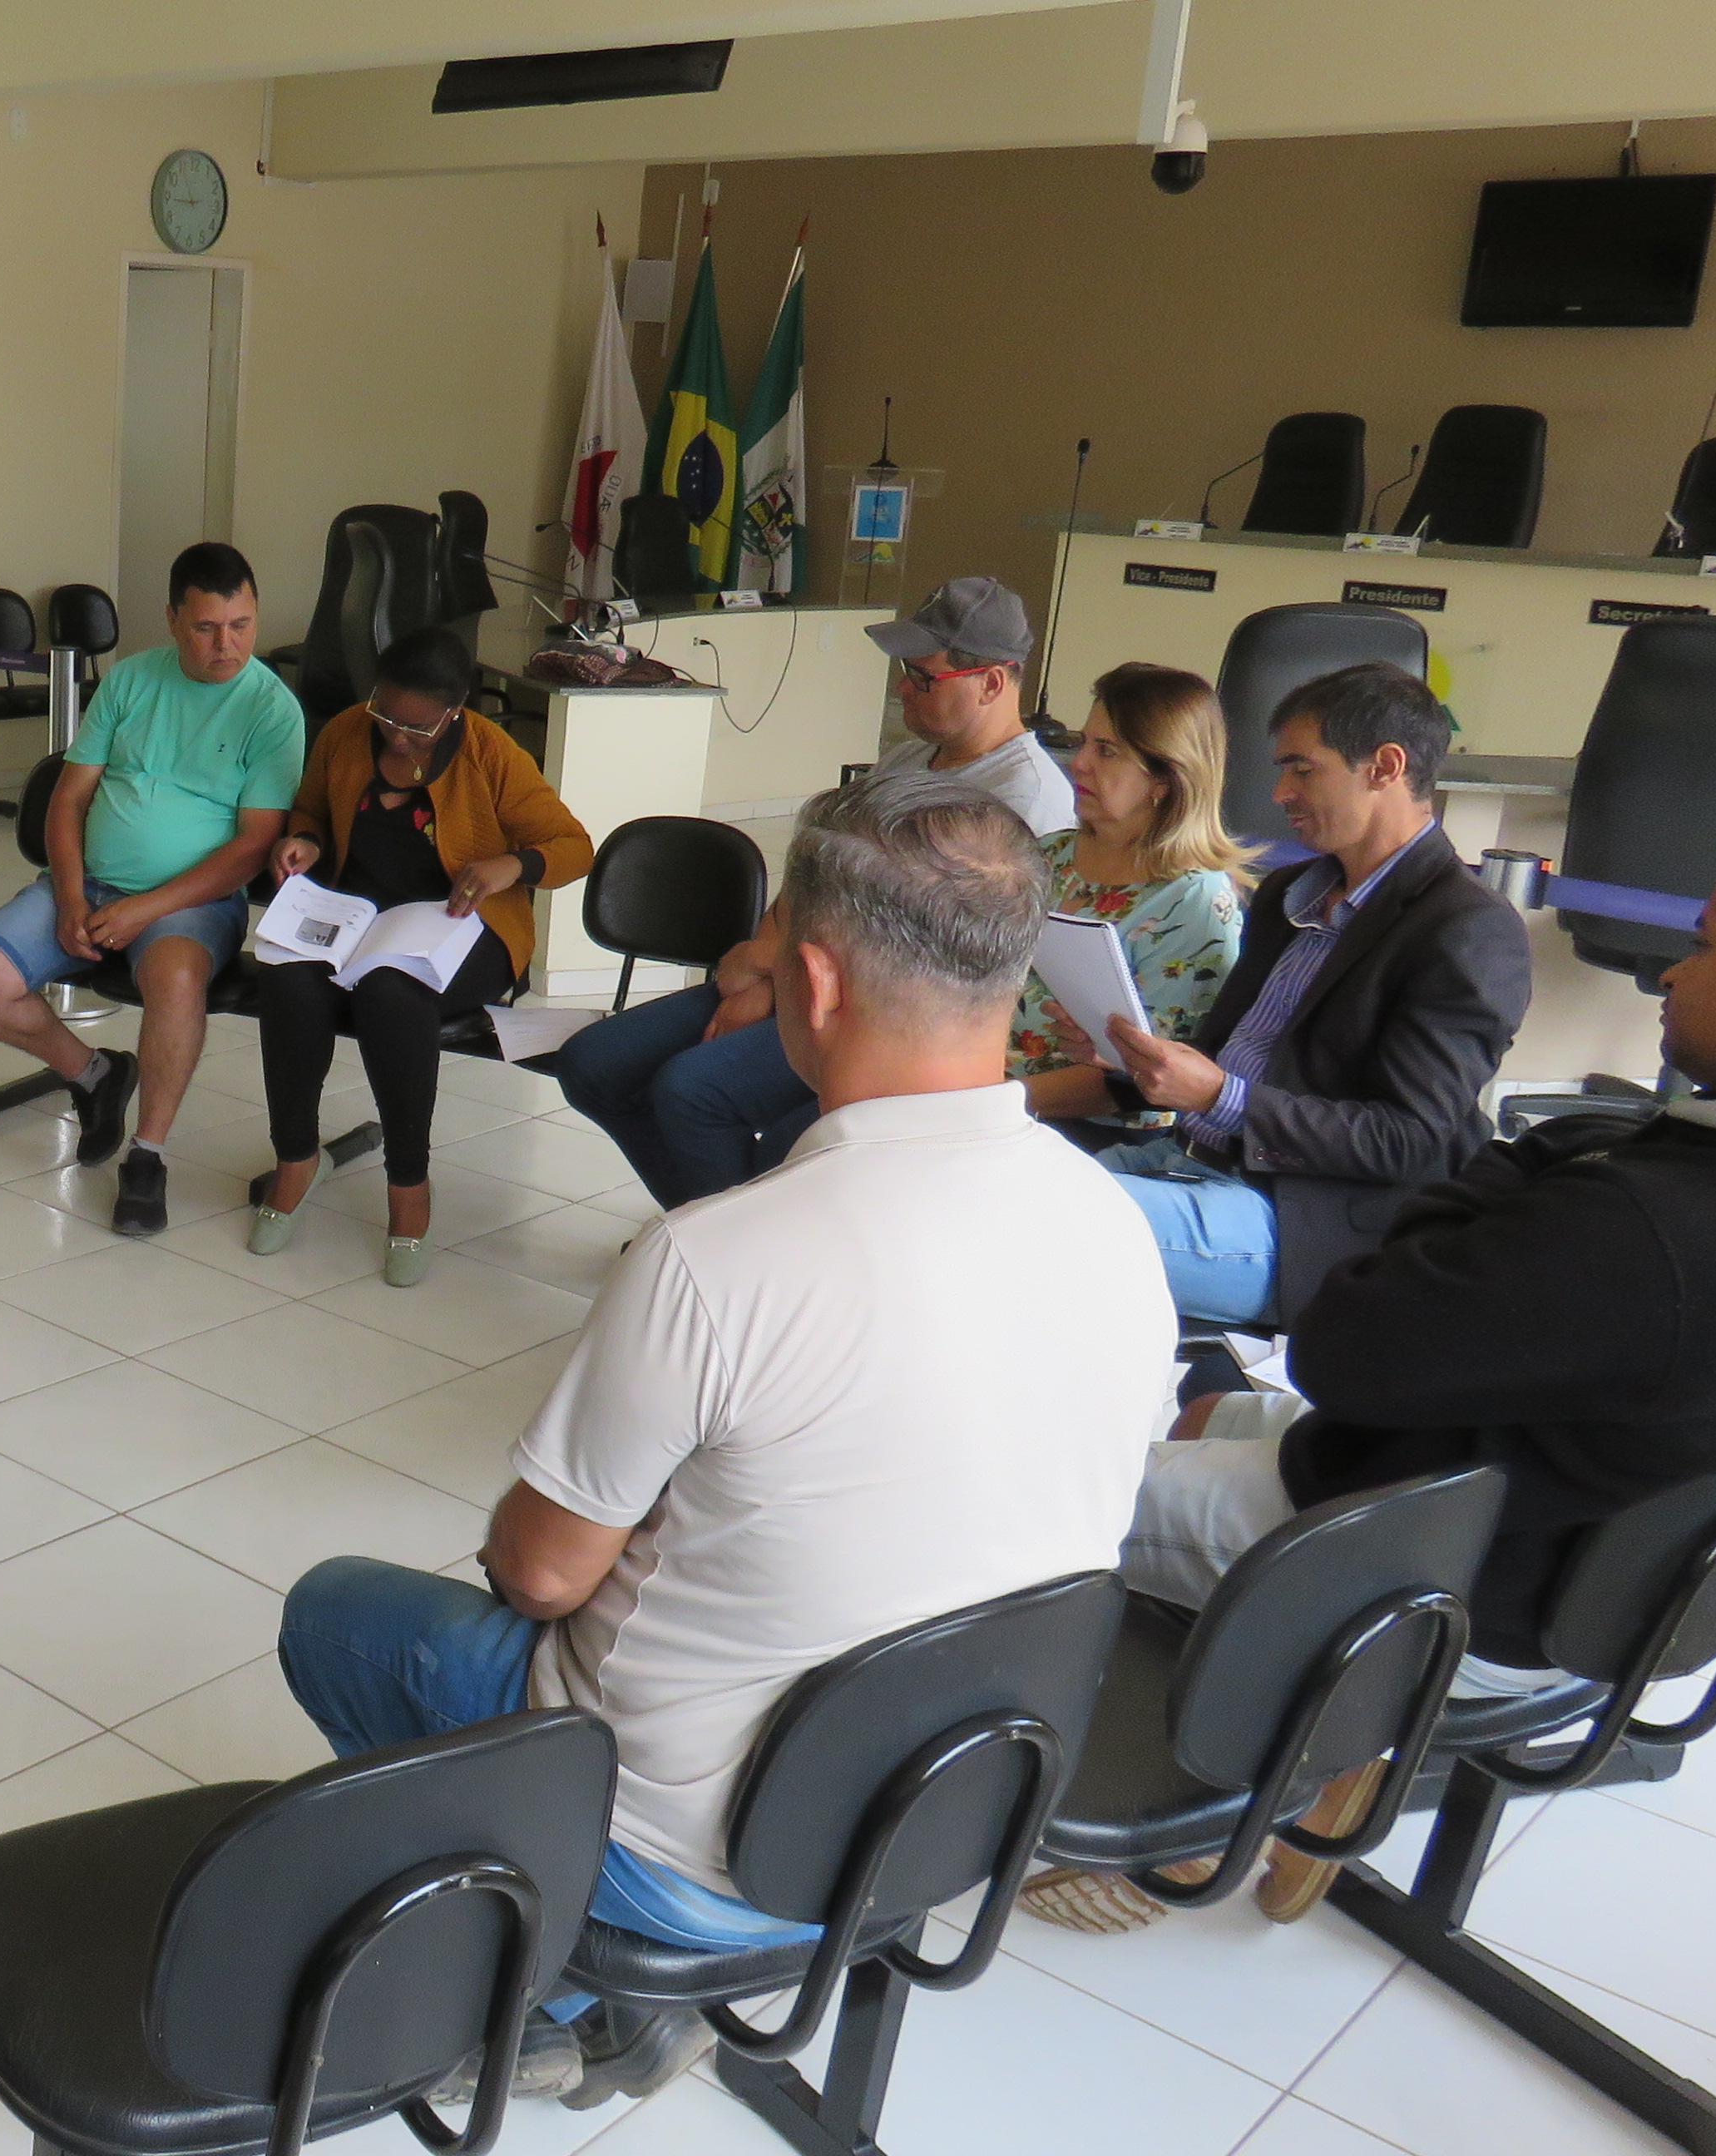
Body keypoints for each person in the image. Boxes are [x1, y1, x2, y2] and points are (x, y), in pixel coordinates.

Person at [277, 774, 1172, 2104]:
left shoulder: (718, 1259)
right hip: (944, 1808)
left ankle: (538, 1982)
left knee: (338, 1617)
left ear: (812, 981)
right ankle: (606, 1996)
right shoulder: (1118, 1227)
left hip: (690, 1861)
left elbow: (539, 1574)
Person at [1037, 823, 1716, 1933]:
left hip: (1450, 1587)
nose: (1674, 974)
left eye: (1706, 943)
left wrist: (1519, 1160)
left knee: (1024, 1502)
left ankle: (1246, 1762)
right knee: (1211, 1410)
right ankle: (1309, 1722)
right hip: (1584, 1552)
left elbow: (1341, 1346)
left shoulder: (1652, 1216)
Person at [551, 576, 1075, 1208]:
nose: (902, 689)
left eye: (922, 677)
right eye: (904, 672)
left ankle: (741, 1236)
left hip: (877, 1007)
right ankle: (711, 1219)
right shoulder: (910, 760)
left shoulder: (1025, 802)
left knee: (693, 1092)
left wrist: (777, 980)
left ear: (991, 682)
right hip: (802, 970)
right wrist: (764, 962)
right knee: (595, 1065)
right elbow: (821, 874)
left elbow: (923, 951)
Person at [1087, 661, 1530, 1328]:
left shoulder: (1468, 929)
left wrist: (1218, 1095)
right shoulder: (1288, 896)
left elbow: (1407, 1139)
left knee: (1030, 1223)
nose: (1281, 793)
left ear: (1385, 767)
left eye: (1302, 769)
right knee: (986, 1188)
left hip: (1303, 1219)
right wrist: (1138, 1063)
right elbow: (1229, 1058)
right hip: (1190, 1159)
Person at [0, 541, 304, 1236]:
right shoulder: (132, 680)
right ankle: (95, 1075)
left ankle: (148, 1155)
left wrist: (146, 909)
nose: (226, 646)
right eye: (206, 628)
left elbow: (251, 848)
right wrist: (73, 898)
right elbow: (69, 799)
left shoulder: (271, 709)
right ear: (172, 620)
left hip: (193, 903)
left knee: (174, 980)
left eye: (241, 625)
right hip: (90, 884)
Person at [249, 627, 589, 1283]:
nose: (397, 737)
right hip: (357, 921)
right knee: (287, 977)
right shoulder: (347, 732)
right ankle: (296, 1159)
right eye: (386, 715)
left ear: (456, 710)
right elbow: (310, 809)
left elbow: (574, 846)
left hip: (462, 928)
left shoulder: (491, 753)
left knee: (391, 994)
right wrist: (306, 843)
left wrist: (511, 866)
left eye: (417, 727)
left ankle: (409, 1187)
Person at [1009, 664, 1255, 1135]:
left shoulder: (1193, 900)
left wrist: (985, 1103)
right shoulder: (1047, 855)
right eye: (1084, 743)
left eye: (1107, 751)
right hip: (996, 1103)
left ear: (1165, 779)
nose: (1079, 763)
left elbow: (1149, 1082)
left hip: (1098, 1135)